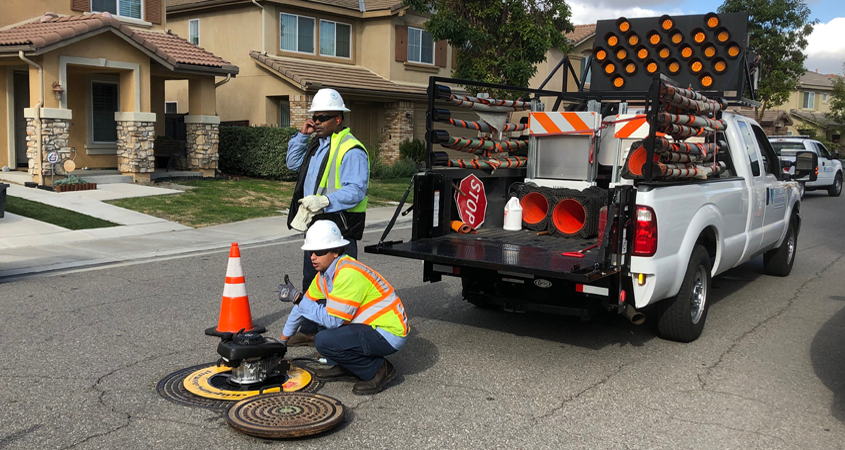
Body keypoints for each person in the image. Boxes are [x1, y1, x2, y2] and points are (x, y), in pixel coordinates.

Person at [279, 220, 409, 395]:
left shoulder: (348, 273)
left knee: (324, 340)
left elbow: (333, 321)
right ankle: (351, 366)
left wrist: (297, 298)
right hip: (371, 326)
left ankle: (379, 369)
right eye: (311, 251)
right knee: (321, 318)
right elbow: (301, 309)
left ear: (335, 251)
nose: (313, 257)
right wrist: (282, 342)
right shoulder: (324, 276)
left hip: (388, 332)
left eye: (319, 251)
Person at [285, 88, 369, 346]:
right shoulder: (317, 145)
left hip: (339, 228)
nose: (317, 122)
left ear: (338, 119)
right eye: (315, 117)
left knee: (339, 285)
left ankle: (339, 338)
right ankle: (311, 329)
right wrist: (302, 135)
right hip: (317, 227)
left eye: (322, 117)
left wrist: (325, 201)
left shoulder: (351, 148)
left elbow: (356, 190)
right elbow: (291, 163)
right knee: (312, 281)